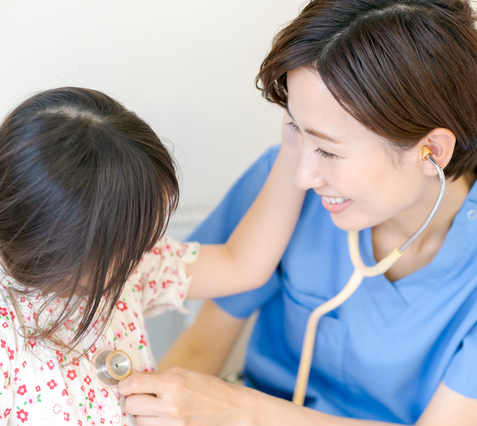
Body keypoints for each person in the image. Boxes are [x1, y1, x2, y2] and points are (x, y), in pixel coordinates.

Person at [119, 1, 477, 425]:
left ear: (431, 151)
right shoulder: (285, 180)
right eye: (295, 131)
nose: (303, 175)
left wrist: (239, 410)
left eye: (327, 150)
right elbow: (202, 348)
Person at [0, 87, 304, 425]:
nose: (148, 248)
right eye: (132, 240)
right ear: (64, 248)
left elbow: (241, 265)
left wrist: (294, 147)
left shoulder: (130, 265)